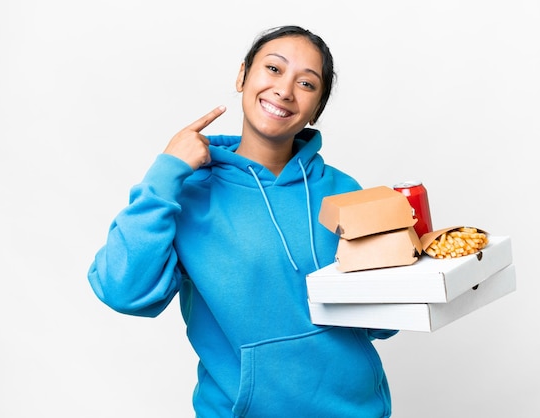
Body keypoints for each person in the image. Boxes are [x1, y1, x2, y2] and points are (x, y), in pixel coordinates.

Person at [88, 25, 397, 417]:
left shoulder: (344, 190)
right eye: (273, 69)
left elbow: (383, 324)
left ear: (316, 108)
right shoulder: (187, 193)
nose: (284, 90)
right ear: (242, 76)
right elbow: (123, 291)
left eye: (306, 83)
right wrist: (164, 174)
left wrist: (405, 264)